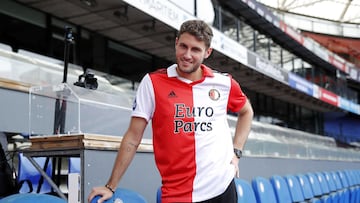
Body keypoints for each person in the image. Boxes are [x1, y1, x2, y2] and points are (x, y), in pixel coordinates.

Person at [88, 19, 254, 203]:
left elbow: (246, 112)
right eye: (183, 46)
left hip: (222, 188)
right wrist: (111, 185)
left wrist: (236, 152)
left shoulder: (223, 83)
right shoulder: (152, 83)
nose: (187, 55)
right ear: (176, 43)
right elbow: (133, 138)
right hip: (176, 195)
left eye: (196, 49)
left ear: (207, 52)